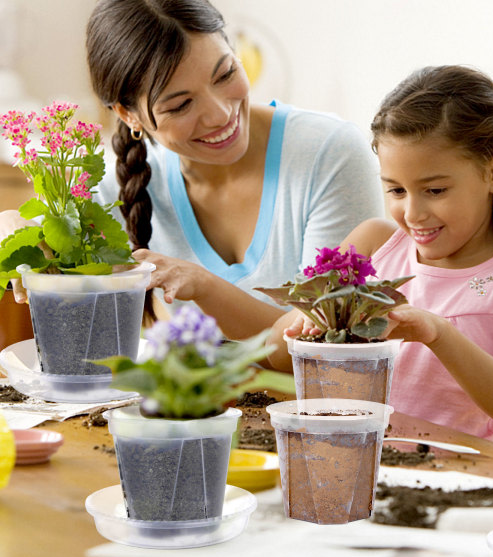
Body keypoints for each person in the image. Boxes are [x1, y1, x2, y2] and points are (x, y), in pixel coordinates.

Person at [2, 0, 383, 340]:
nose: (220, 113)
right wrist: (16, 232)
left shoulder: (329, 155)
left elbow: (331, 340)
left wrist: (204, 285)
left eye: (224, 74)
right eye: (181, 104)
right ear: (127, 114)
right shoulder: (112, 183)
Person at [266, 65, 493, 440]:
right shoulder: (372, 246)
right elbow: (275, 355)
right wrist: (305, 324)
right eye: (397, 191)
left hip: (471, 481)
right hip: (368, 466)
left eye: (434, 191)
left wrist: (438, 333)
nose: (412, 214)